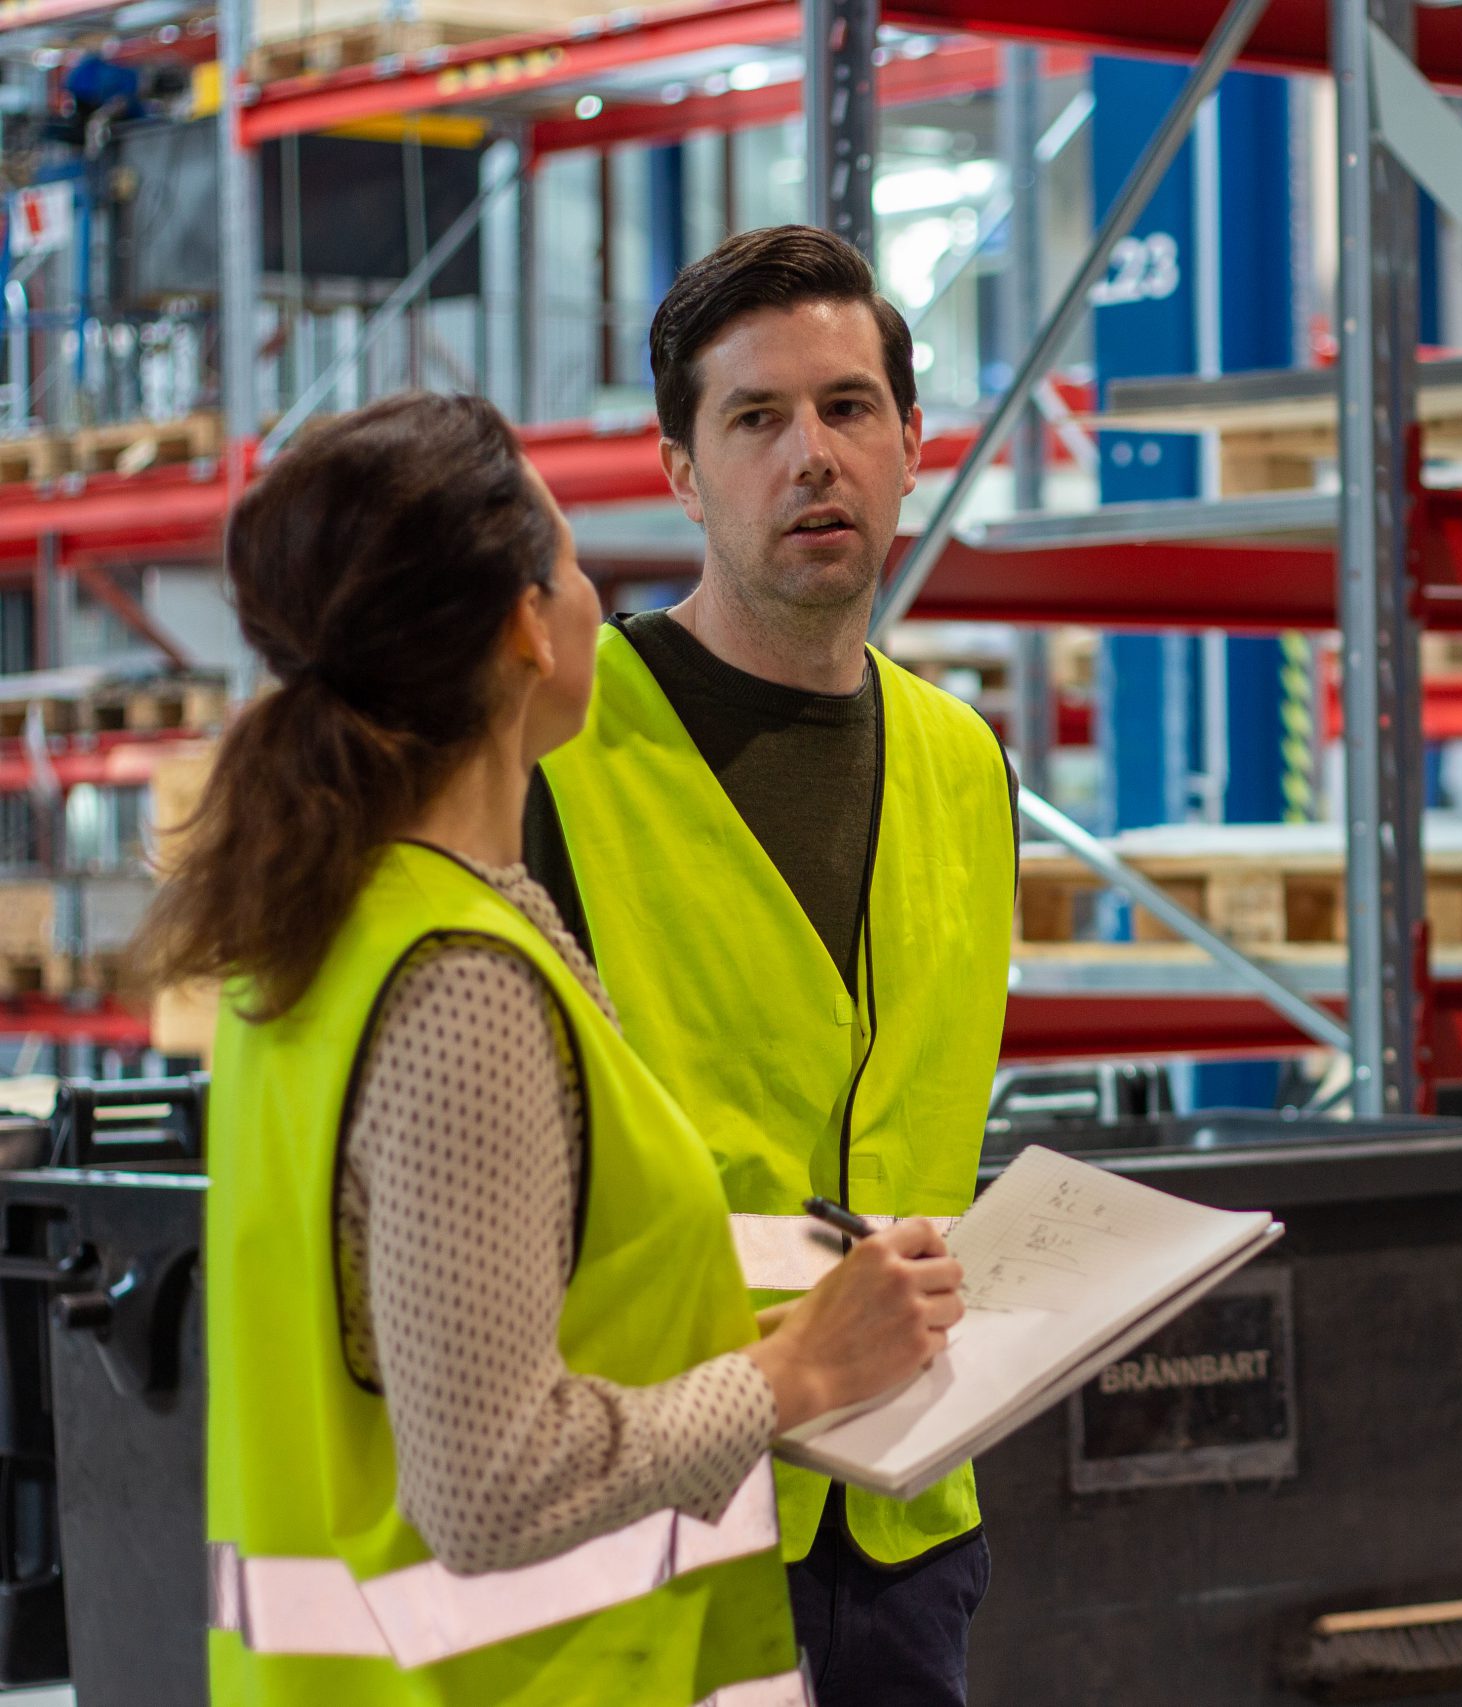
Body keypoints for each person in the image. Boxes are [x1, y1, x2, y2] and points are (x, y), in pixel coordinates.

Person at [146, 393, 966, 1707]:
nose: (596, 601)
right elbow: (490, 1483)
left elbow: (451, 1341)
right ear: (529, 624)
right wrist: (795, 1373)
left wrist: (761, 1330)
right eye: (578, 564)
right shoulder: (458, 984)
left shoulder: (323, 932)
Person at [523, 225, 1015, 1706]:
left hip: (906, 1516)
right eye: (756, 420)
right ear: (680, 471)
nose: (814, 456)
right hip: (660, 1505)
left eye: (849, 409)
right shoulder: (558, 750)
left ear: (913, 443)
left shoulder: (965, 764)